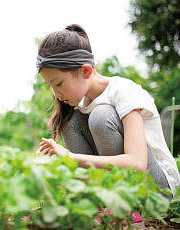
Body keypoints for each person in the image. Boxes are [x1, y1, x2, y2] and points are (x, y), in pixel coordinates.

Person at [35, 24, 180, 200]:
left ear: (85, 71)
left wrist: (71, 158)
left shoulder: (123, 91)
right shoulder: (77, 107)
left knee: (100, 116)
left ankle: (124, 204)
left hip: (157, 190)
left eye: (58, 84)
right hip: (115, 192)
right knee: (69, 121)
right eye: (49, 86)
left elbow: (137, 164)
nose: (55, 94)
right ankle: (98, 202)